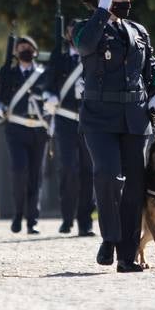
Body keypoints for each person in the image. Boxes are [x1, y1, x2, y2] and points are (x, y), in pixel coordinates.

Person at [73, 0, 155, 272]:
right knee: (108, 176)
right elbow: (85, 46)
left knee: (134, 187)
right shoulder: (85, 28)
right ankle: (109, 238)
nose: (126, 0)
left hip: (135, 117)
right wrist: (101, 13)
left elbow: (152, 65)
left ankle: (127, 256)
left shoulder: (138, 31)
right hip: (99, 118)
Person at [0, 35, 49, 234]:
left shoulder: (43, 73)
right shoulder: (8, 72)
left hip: (39, 130)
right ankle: (17, 214)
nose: (25, 49)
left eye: (28, 46)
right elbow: (0, 97)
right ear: (15, 52)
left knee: (36, 176)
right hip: (16, 128)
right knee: (19, 172)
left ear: (35, 51)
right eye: (21, 47)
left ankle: (32, 220)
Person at [43, 23, 95, 235]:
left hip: (88, 120)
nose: (74, 35)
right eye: (71, 32)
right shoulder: (60, 57)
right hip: (65, 120)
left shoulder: (92, 54)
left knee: (88, 171)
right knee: (69, 170)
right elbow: (48, 83)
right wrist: (50, 97)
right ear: (66, 35)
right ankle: (67, 217)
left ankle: (85, 221)